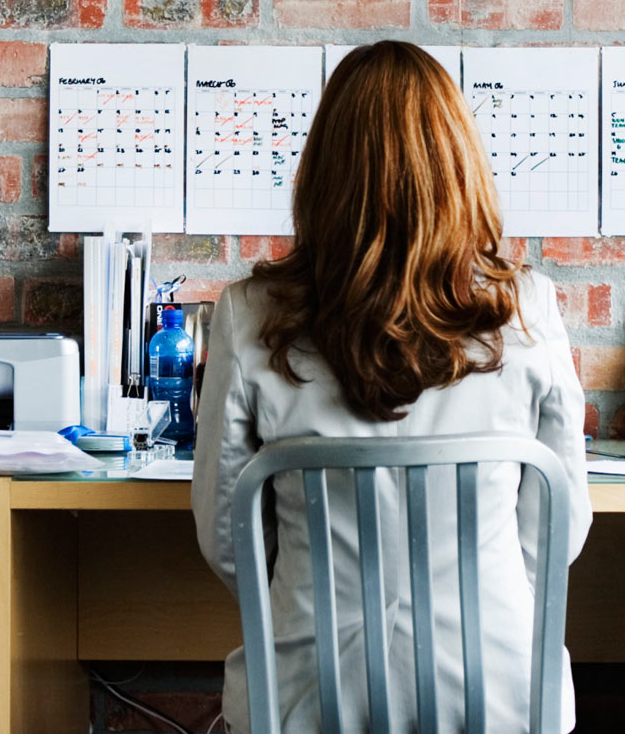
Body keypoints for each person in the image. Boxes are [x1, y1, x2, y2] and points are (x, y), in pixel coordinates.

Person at [191, 41, 593, 733]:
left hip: (306, 696)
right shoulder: (526, 309)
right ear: (458, 166)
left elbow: (227, 539)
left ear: (321, 173)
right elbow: (560, 528)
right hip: (498, 696)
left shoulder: (249, 313)